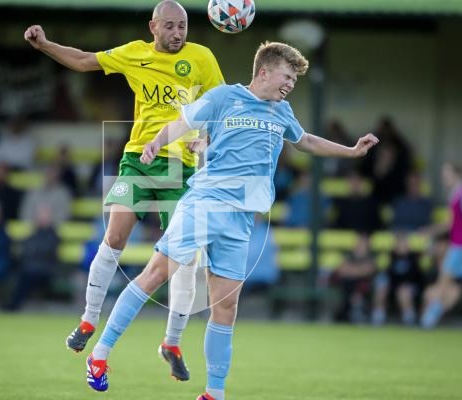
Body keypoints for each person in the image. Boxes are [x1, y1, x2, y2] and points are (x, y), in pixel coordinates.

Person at [83, 41, 378, 399]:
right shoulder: (224, 97)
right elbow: (184, 121)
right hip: (205, 203)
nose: (290, 85)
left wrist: (350, 151)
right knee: (156, 274)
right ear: (264, 72)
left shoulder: (281, 111)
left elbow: (306, 142)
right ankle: (100, 356)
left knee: (225, 307)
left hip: (241, 221)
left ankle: (214, 393)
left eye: (295, 81)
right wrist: (157, 142)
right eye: (287, 76)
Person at [24, 0, 225, 380]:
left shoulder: (202, 57)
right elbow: (84, 61)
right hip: (139, 159)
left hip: (180, 167)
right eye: (169, 26)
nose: (178, 33)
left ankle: (172, 342)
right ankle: (87, 322)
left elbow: (218, 106)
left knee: (184, 257)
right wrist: (46, 45)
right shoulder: (134, 54)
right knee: (114, 237)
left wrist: (206, 137)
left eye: (182, 26)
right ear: (153, 26)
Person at [420, 163, 462, 328]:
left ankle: (429, 319)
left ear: (457, 175)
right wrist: (430, 231)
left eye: (447, 173)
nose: (444, 177)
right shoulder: (456, 195)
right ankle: (430, 317)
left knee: (445, 278)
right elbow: (451, 223)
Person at [371, 232, 424, 326]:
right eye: (399, 243)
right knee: (381, 286)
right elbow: (387, 275)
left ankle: (409, 318)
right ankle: (378, 316)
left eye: (404, 243)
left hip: (410, 287)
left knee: (404, 291)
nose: (402, 246)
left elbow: (417, 277)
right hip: (394, 286)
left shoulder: (414, 258)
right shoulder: (390, 257)